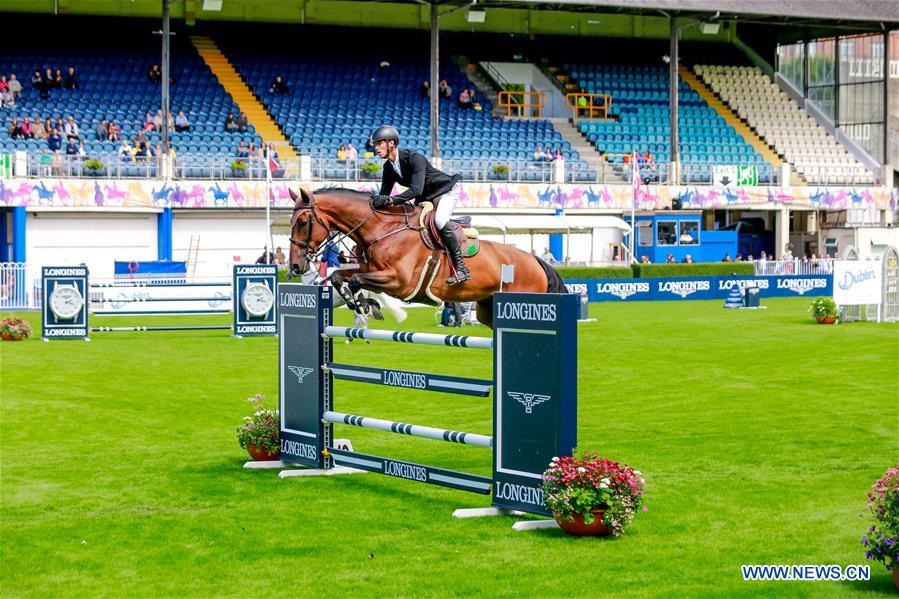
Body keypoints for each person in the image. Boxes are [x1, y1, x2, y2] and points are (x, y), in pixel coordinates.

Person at [369, 125, 468, 284]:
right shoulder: (388, 167)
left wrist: (392, 200)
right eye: (375, 144)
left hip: (446, 189)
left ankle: (461, 268)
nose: (376, 148)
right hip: (427, 194)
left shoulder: (415, 158)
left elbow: (415, 189)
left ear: (391, 143)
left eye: (379, 143)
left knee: (439, 221)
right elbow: (384, 195)